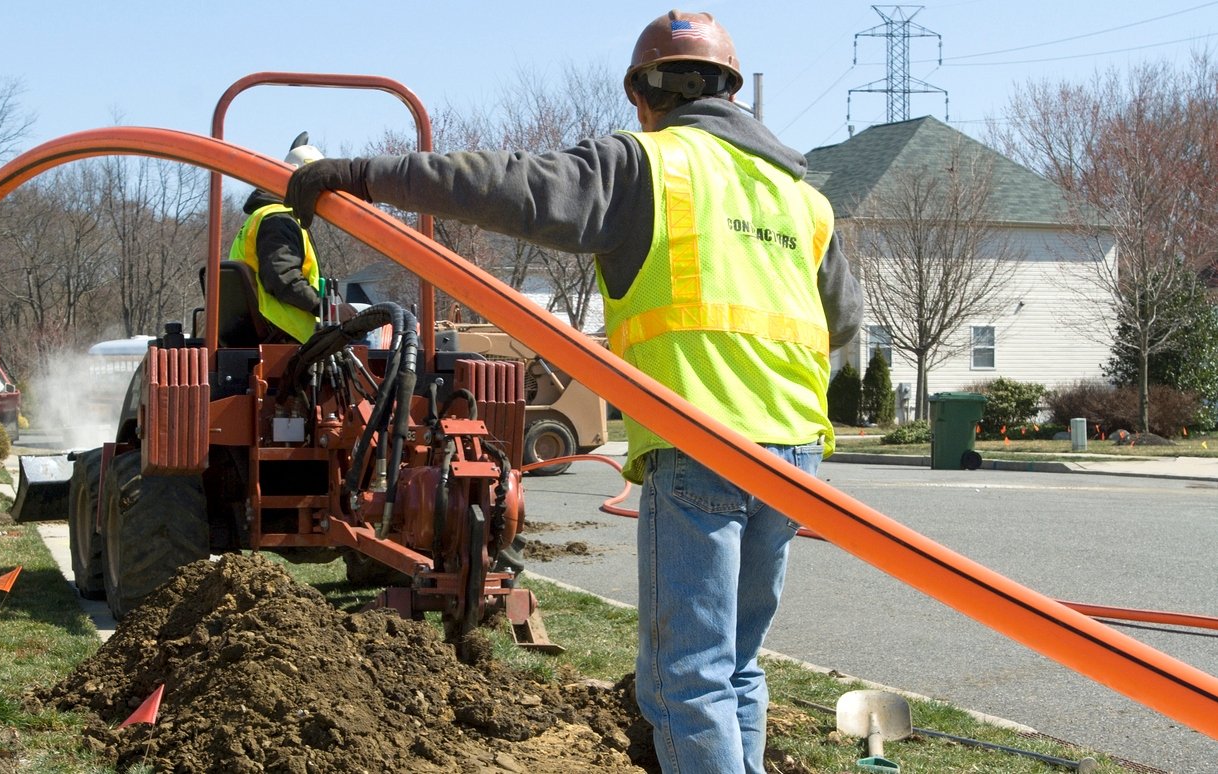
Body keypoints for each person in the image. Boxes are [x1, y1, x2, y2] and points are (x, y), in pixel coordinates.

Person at [287, 10, 862, 773]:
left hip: (702, 445)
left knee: (686, 679)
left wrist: (361, 175)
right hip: (793, 456)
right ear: (730, 90)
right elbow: (845, 329)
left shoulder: (649, 166)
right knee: (737, 665)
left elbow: (502, 184)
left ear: (642, 97)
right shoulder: (803, 198)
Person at [229, 136, 325, 343]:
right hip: (283, 333)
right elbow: (283, 278)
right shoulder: (278, 220)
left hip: (266, 330)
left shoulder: (262, 217)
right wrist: (325, 307)